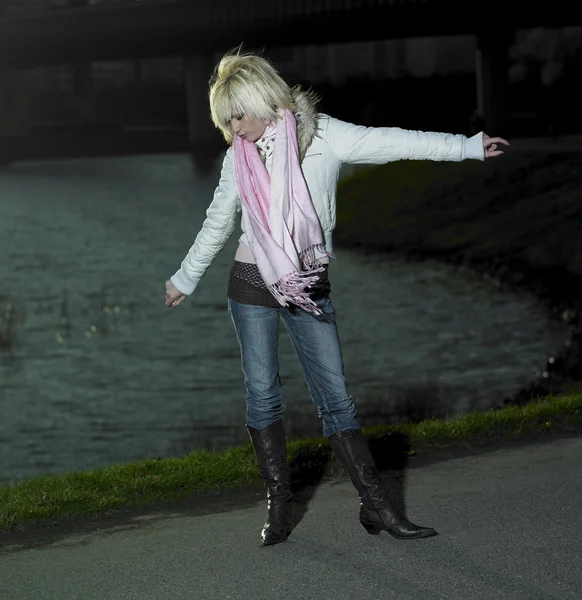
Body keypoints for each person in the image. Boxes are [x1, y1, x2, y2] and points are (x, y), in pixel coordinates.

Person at [165, 47, 509, 546]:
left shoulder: (324, 135)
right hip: (250, 281)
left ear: (263, 97)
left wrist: (468, 147)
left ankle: (378, 509)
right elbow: (218, 221)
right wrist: (185, 278)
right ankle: (279, 507)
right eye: (226, 120)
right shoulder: (236, 159)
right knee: (263, 394)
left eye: (238, 114)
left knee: (337, 400)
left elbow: (391, 141)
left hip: (308, 281)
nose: (234, 128)